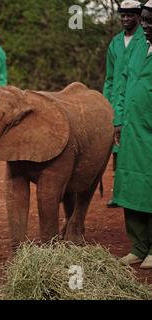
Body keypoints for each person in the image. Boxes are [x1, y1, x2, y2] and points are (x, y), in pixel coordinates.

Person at [113, 0, 152, 269]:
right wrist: (118, 119)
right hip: (132, 128)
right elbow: (123, 80)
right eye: (145, 20)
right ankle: (138, 246)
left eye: (149, 21)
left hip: (149, 130)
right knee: (130, 185)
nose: (145, 26)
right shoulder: (138, 46)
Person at [103, 0, 144, 208]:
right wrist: (105, 103)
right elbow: (109, 78)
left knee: (137, 148)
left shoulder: (145, 40)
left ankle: (137, 193)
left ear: (139, 16)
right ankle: (118, 193)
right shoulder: (116, 42)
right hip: (116, 103)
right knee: (117, 150)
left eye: (131, 15)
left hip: (137, 103)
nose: (126, 18)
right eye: (123, 15)